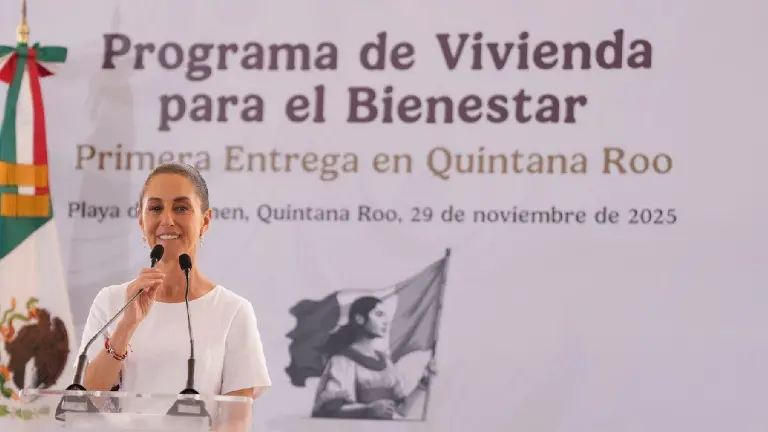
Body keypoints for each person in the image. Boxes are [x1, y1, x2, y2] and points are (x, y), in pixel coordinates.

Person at [76, 162, 271, 401]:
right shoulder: (111, 301)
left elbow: (237, 415)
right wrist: (126, 327)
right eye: (155, 208)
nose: (167, 219)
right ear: (141, 221)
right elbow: (86, 399)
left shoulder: (233, 310)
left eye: (181, 208)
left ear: (205, 221)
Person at [311, 296, 435, 420]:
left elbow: (401, 411)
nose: (386, 321)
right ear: (359, 319)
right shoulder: (342, 360)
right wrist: (368, 410)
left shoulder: (385, 361)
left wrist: (423, 384)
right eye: (379, 314)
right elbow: (330, 411)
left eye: (385, 316)